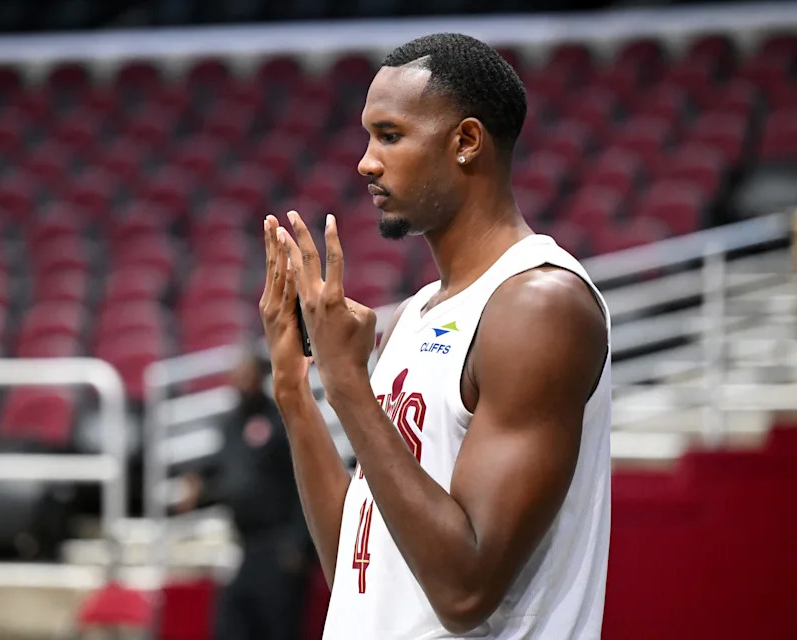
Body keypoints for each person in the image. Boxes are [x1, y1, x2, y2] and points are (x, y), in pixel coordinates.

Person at [258, 33, 610, 639]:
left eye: (389, 135)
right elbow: (362, 567)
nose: (365, 161)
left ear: (466, 142)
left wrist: (347, 383)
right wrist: (295, 391)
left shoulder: (539, 307)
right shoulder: (416, 314)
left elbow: (465, 590)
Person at [173, 350, 312, 640]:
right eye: (237, 374)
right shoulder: (231, 424)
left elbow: (306, 480)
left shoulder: (280, 421)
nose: (241, 380)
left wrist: (299, 545)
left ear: (259, 375)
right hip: (246, 546)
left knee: (278, 629)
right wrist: (198, 486)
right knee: (229, 626)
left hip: (280, 546)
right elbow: (227, 473)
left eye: (247, 373)